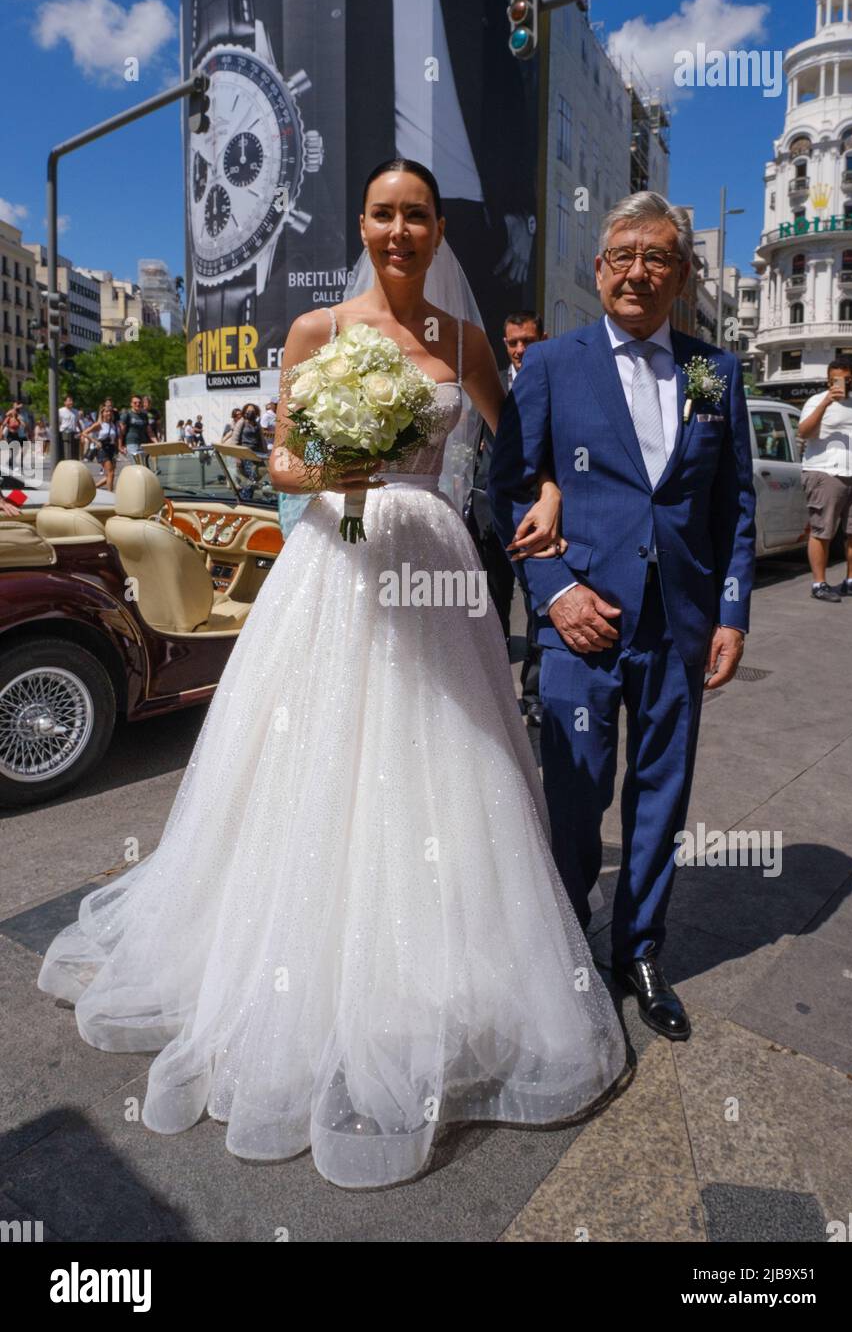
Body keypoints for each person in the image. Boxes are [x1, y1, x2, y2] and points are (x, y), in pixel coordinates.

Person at [37, 160, 626, 1190]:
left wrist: (546, 492)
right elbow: (282, 464)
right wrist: (341, 463)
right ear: (362, 223)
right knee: (314, 753)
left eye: (417, 216)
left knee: (447, 758)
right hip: (335, 557)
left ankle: (436, 973)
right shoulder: (316, 334)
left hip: (435, 564)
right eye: (383, 214)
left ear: (439, 230)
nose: (400, 230)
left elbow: (514, 435)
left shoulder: (464, 343)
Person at [489, 190, 757, 1044]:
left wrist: (731, 612)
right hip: (582, 625)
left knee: (662, 798)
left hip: (678, 626)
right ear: (599, 271)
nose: (638, 271)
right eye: (622, 257)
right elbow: (506, 493)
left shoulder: (716, 372)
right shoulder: (552, 366)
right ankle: (566, 948)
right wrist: (557, 591)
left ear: (682, 275)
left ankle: (640, 950)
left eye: (658, 257)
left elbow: (735, 503)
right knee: (572, 796)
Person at [464, 311, 546, 726]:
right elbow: (473, 442)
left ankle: (534, 697)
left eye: (527, 341)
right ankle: (496, 694)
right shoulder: (490, 380)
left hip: (537, 518)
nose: (519, 350)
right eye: (512, 343)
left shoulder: (555, 380)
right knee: (491, 609)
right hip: (487, 516)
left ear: (542, 339)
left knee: (539, 610)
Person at [797, 361, 852, 601]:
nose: (842, 383)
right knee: (822, 530)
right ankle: (819, 583)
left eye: (847, 379)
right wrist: (826, 402)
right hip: (824, 472)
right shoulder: (816, 401)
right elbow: (803, 432)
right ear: (828, 380)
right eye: (836, 379)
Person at [80, 403, 121, 491]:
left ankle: (93, 488)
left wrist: (118, 449)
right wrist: (95, 441)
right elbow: (84, 433)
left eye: (110, 412)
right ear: (102, 413)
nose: (108, 413)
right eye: (106, 411)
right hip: (102, 449)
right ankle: (110, 494)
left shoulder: (113, 425)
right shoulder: (99, 424)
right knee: (110, 473)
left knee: (111, 474)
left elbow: (116, 438)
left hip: (111, 449)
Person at [230, 404, 266, 501]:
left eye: (253, 411)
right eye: (248, 411)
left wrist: (265, 453)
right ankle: (245, 499)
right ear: (244, 412)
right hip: (244, 454)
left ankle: (244, 497)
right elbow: (235, 440)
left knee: (257, 475)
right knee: (249, 477)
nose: (250, 413)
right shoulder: (241, 423)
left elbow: (261, 440)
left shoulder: (257, 424)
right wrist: (237, 456)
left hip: (255, 454)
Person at [119, 394, 156, 461]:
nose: (137, 404)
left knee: (143, 466)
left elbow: (149, 431)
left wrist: (156, 442)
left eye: (139, 402)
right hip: (132, 444)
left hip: (143, 444)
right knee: (136, 466)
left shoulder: (144, 415)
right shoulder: (127, 414)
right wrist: (120, 446)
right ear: (131, 404)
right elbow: (121, 432)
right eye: (135, 403)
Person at [58, 395, 80, 461]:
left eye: (72, 400)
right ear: (65, 402)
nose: (71, 402)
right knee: (65, 453)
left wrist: (80, 432)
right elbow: (58, 422)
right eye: (69, 401)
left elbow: (77, 422)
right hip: (64, 433)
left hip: (73, 433)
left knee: (73, 454)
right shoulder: (60, 411)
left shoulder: (76, 411)